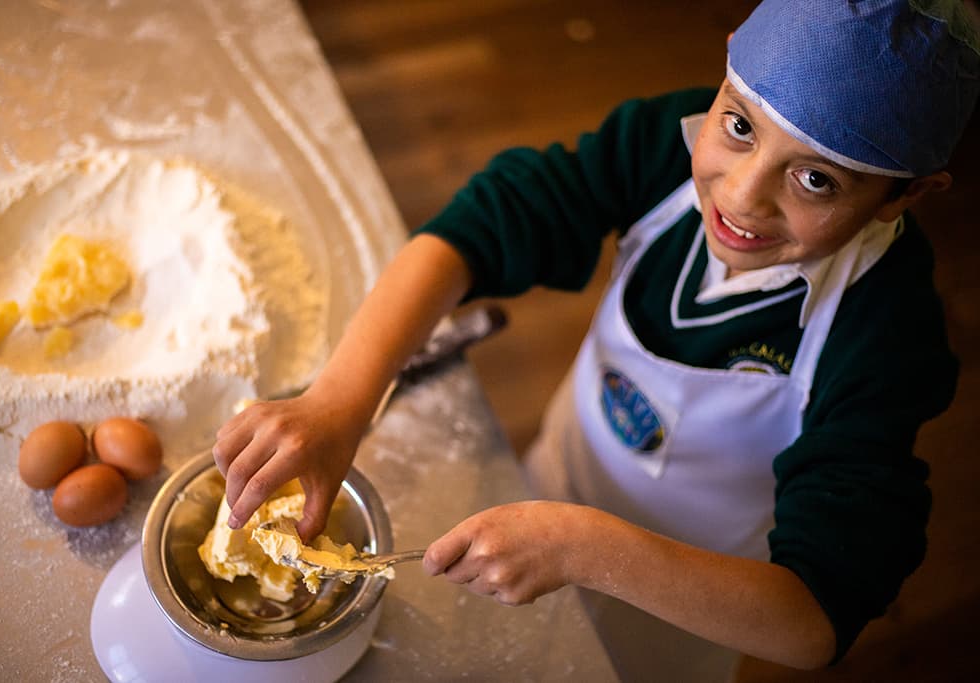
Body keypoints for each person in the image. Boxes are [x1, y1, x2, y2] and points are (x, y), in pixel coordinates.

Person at [212, 1, 979, 679]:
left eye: (816, 180)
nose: (741, 197)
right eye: (739, 125)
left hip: (683, 606)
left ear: (904, 195)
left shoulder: (885, 336)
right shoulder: (662, 145)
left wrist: (585, 548)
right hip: (551, 481)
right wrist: (340, 399)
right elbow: (481, 228)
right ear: (728, 58)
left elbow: (813, 622)